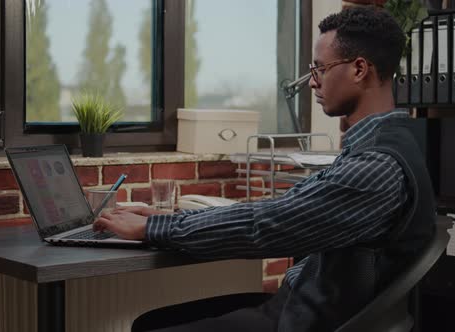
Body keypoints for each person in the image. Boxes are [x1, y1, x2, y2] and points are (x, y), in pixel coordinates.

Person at [93, 6, 436, 332]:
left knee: (152, 327)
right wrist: (166, 216)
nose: (312, 82)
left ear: (359, 69)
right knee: (154, 321)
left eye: (320, 68)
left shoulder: (375, 167)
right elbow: (279, 209)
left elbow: (266, 226)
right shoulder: (383, 144)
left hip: (303, 321)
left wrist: (154, 227)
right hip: (305, 305)